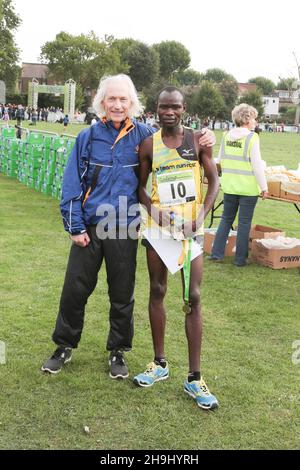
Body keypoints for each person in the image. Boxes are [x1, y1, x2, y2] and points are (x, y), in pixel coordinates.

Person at [41, 75, 216, 379]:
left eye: (124, 100)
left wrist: (206, 136)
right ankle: (64, 346)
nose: (118, 105)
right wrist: (75, 226)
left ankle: (118, 351)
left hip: (125, 226)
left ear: (132, 103)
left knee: (122, 293)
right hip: (91, 224)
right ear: (102, 102)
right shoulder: (88, 137)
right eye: (112, 99)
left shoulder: (146, 136)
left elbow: (178, 137)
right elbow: (71, 183)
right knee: (75, 289)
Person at [133, 86, 220, 410]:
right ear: (156, 109)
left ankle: (195, 377)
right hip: (158, 230)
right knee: (157, 289)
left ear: (184, 109)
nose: (169, 112)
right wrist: (154, 212)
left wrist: (199, 216)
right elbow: (140, 188)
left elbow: (213, 180)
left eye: (175, 107)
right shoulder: (148, 145)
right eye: (163, 107)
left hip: (189, 230)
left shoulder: (198, 140)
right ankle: (159, 363)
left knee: (193, 296)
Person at [208, 103, 268, 267]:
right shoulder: (252, 137)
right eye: (254, 118)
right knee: (244, 223)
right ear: (247, 119)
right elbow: (256, 165)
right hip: (248, 188)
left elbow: (219, 160)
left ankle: (216, 254)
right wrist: (264, 187)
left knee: (226, 219)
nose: (255, 122)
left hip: (229, 186)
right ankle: (240, 259)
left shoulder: (226, 135)